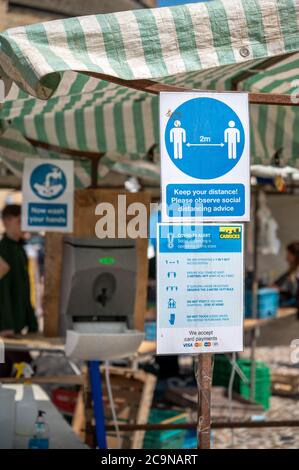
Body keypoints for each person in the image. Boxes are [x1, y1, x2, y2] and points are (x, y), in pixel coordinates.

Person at [0, 204, 38, 376]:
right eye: (19, 220)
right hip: (4, 330)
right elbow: (2, 292)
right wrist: (5, 324)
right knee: (8, 370)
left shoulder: (20, 250)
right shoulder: (3, 250)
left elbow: (25, 290)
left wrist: (32, 321)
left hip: (16, 327)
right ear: (6, 222)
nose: (24, 225)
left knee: (23, 370)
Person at [273, 242, 299, 312]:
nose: (286, 257)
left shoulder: (296, 272)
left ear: (295, 255)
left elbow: (291, 291)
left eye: (288, 254)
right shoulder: (291, 271)